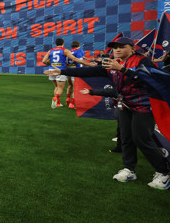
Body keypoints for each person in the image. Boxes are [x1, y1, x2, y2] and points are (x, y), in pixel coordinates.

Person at [45, 37, 170, 189]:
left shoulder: (141, 61)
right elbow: (89, 71)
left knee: (141, 139)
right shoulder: (110, 63)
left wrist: (122, 69)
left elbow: (147, 80)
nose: (117, 50)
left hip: (144, 107)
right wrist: (61, 71)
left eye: (121, 47)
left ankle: (163, 172)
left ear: (132, 48)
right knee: (126, 138)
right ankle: (129, 169)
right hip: (125, 105)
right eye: (115, 47)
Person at [42, 38, 92, 108]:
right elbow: (74, 59)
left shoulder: (50, 51)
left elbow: (43, 61)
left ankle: (57, 103)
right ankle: (56, 99)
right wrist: (88, 64)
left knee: (56, 87)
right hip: (61, 71)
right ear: (63, 43)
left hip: (51, 70)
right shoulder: (65, 50)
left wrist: (51, 64)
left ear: (56, 43)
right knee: (61, 88)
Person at [65, 41, 85, 109]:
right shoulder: (79, 51)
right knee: (76, 88)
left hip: (68, 70)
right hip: (75, 70)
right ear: (79, 45)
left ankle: (68, 98)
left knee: (70, 85)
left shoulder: (69, 51)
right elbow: (78, 61)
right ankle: (72, 103)